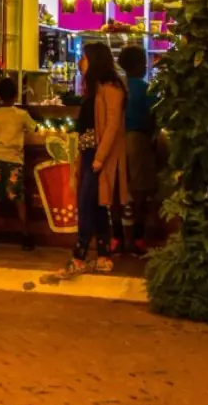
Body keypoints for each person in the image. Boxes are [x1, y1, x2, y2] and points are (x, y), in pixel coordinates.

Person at [59, 41, 127, 276]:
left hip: (99, 155)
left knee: (88, 204)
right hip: (88, 153)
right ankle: (103, 254)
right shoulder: (96, 88)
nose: (80, 62)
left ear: (95, 60)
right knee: (96, 205)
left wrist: (99, 158)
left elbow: (112, 126)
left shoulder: (110, 89)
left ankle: (79, 254)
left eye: (84, 57)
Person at [0, 77, 39, 251]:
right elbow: (34, 128)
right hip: (15, 162)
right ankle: (26, 237)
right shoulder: (21, 115)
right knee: (18, 199)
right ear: (15, 95)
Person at [117, 45, 157, 257]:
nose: (145, 64)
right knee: (139, 193)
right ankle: (136, 240)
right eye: (143, 61)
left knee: (125, 193)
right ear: (137, 65)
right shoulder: (144, 88)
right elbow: (156, 115)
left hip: (120, 141)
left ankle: (122, 237)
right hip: (138, 141)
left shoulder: (119, 88)